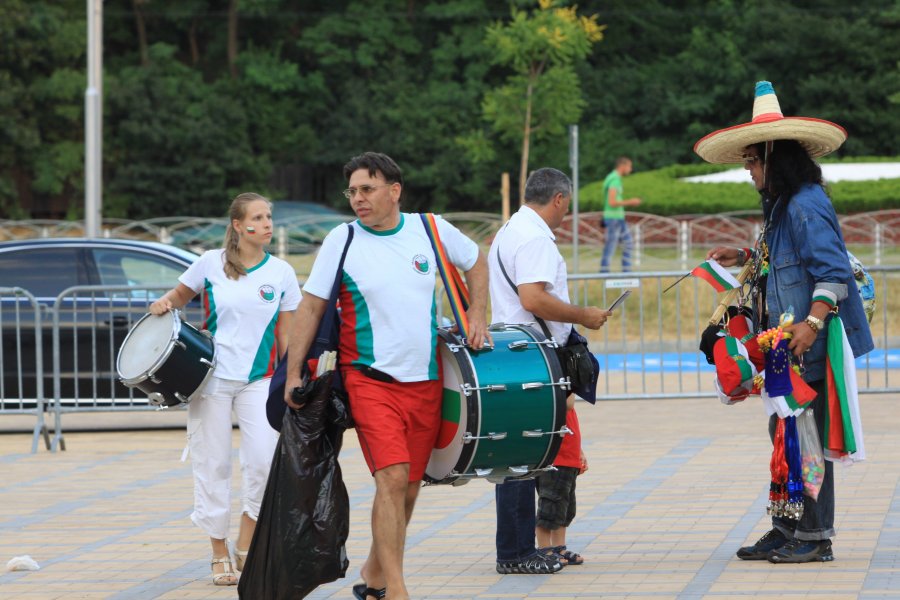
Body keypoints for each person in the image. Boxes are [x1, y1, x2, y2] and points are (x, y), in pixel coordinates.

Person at [283, 152, 490, 600]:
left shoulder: (430, 229)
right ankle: (395, 590)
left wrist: (478, 313)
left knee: (411, 488)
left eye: (367, 189)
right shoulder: (343, 239)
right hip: (369, 380)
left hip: (427, 379)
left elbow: (477, 261)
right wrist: (293, 370)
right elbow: (312, 306)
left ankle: (375, 572)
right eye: (352, 191)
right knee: (392, 479)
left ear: (394, 191)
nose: (358, 199)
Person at [697, 81, 873, 563]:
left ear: (775, 157)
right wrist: (746, 255)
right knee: (784, 438)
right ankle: (786, 525)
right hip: (781, 349)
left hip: (805, 349)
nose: (749, 171)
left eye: (753, 161)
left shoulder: (805, 203)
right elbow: (788, 261)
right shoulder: (781, 207)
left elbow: (833, 272)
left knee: (806, 440)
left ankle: (815, 538)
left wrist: (812, 323)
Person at [149, 192, 301, 585]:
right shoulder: (210, 263)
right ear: (238, 225)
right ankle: (218, 552)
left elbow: (286, 333)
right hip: (211, 379)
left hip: (260, 381)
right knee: (212, 463)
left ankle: (246, 541)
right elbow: (178, 297)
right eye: (258, 217)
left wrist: (293, 378)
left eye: (269, 216)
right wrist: (163, 305)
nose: (267, 224)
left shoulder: (281, 272)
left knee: (265, 463)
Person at [488, 167, 610, 574]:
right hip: (534, 354)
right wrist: (584, 315)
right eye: (568, 205)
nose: (566, 212)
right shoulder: (536, 237)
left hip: (514, 350)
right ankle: (518, 552)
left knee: (517, 452)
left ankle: (518, 549)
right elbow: (535, 299)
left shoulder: (510, 230)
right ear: (559, 199)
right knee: (527, 455)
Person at [535, 405, 587, 566]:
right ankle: (544, 549)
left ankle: (559, 547)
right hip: (556, 457)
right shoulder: (559, 384)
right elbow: (568, 402)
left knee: (565, 507)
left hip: (569, 454)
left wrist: (579, 451)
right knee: (550, 505)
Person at [600, 156, 641, 273]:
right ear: (622, 166)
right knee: (612, 245)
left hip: (616, 217)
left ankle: (625, 271)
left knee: (626, 243)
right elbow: (612, 202)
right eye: (629, 166)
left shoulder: (612, 178)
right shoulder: (614, 180)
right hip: (614, 218)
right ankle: (605, 271)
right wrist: (631, 202)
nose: (630, 169)